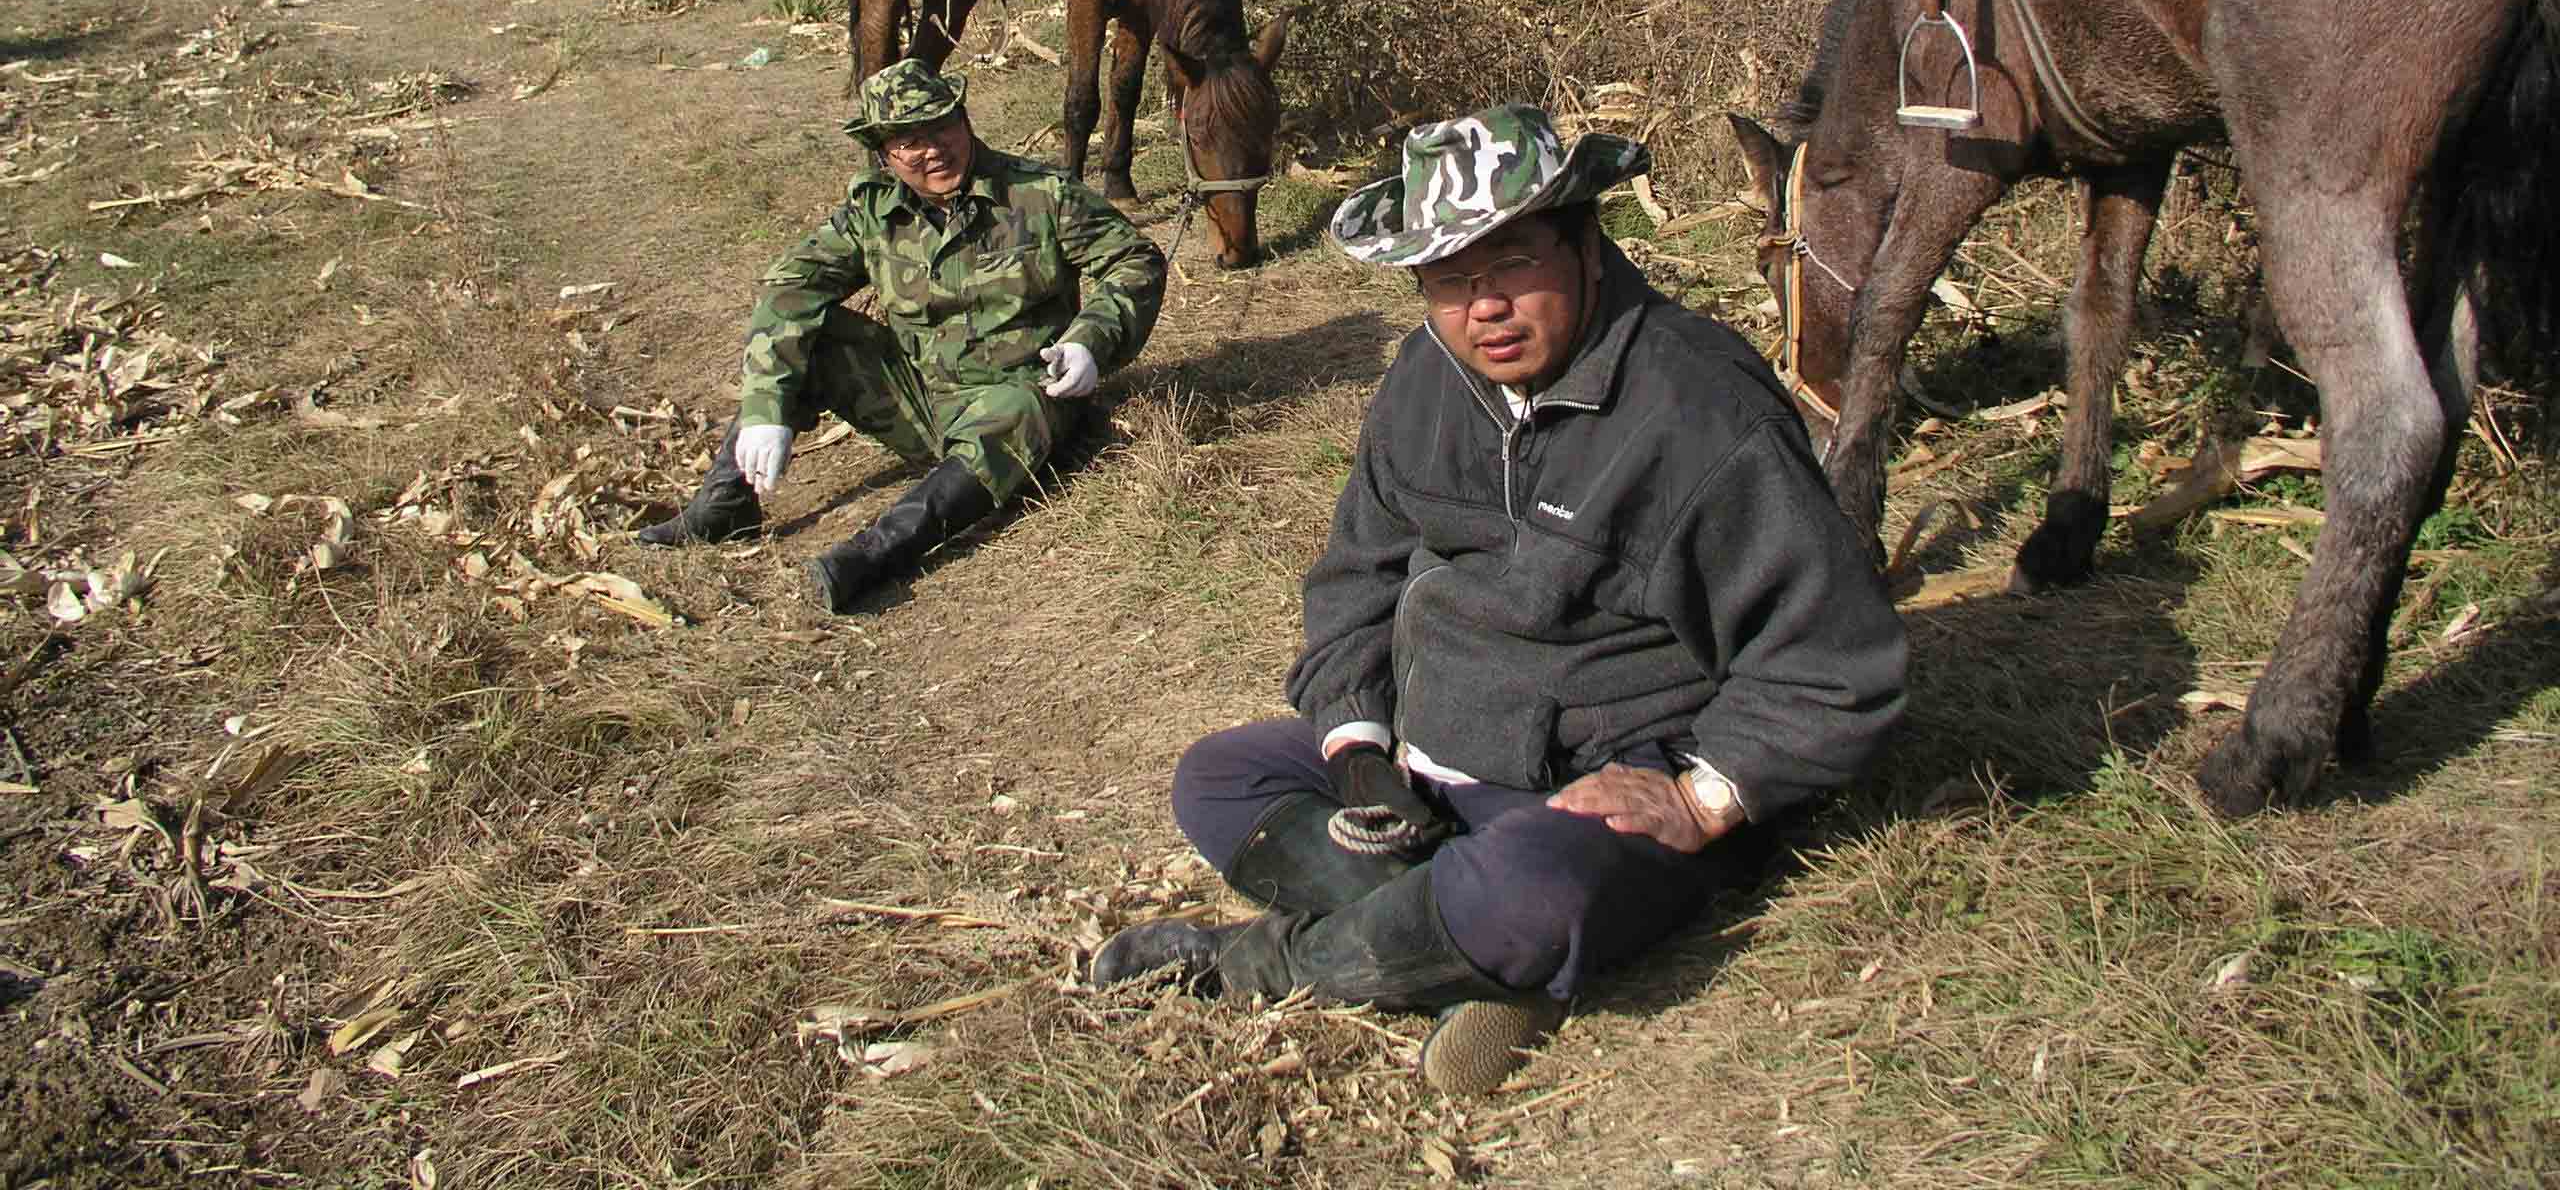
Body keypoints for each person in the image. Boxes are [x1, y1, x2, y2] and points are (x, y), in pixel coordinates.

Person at [1092, 104, 1908, 1094]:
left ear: (1584, 246)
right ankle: (1463, 951)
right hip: (1432, 760)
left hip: (1598, 779)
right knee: (1218, 780)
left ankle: (1262, 963)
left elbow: (1831, 659)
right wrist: (1356, 752)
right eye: (1447, 279)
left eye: (1510, 264)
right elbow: (1356, 579)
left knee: (1531, 889)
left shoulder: (1700, 411)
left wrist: (1701, 798)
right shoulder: (1423, 383)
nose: (1483, 306)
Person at [640, 59, 1167, 613]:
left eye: (943, 127)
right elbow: (790, 291)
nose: (933, 149)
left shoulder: (1040, 192)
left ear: (964, 121)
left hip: (1026, 396)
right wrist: (765, 409)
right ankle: (726, 505)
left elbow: (1133, 261)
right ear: (886, 155)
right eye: (910, 141)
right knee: (814, 335)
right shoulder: (873, 213)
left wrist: (1090, 340)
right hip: (923, 397)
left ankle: (875, 555)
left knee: (1019, 404)